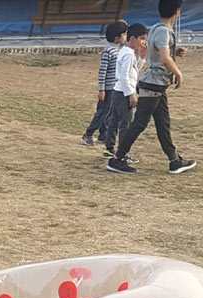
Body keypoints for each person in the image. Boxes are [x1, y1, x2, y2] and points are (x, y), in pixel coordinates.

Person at [107, 0, 196, 174]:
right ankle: (117, 159)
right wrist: (178, 73)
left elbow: (157, 50)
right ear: (177, 12)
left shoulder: (156, 28)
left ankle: (174, 160)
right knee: (139, 123)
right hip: (153, 84)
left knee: (163, 123)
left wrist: (174, 51)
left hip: (156, 85)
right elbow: (164, 58)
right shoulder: (163, 31)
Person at [103, 23, 149, 161]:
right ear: (132, 38)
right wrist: (131, 94)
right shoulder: (128, 54)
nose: (143, 42)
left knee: (114, 120)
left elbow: (133, 71)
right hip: (123, 93)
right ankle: (122, 153)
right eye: (141, 38)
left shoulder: (126, 51)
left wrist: (142, 57)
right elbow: (125, 76)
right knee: (126, 123)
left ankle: (109, 148)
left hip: (118, 91)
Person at [82, 20, 128, 146]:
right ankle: (88, 134)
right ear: (116, 37)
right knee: (102, 113)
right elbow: (102, 72)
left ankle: (103, 134)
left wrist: (123, 24)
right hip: (108, 89)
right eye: (124, 35)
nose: (126, 37)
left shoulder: (120, 49)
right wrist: (101, 89)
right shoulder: (108, 52)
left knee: (108, 112)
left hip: (115, 87)